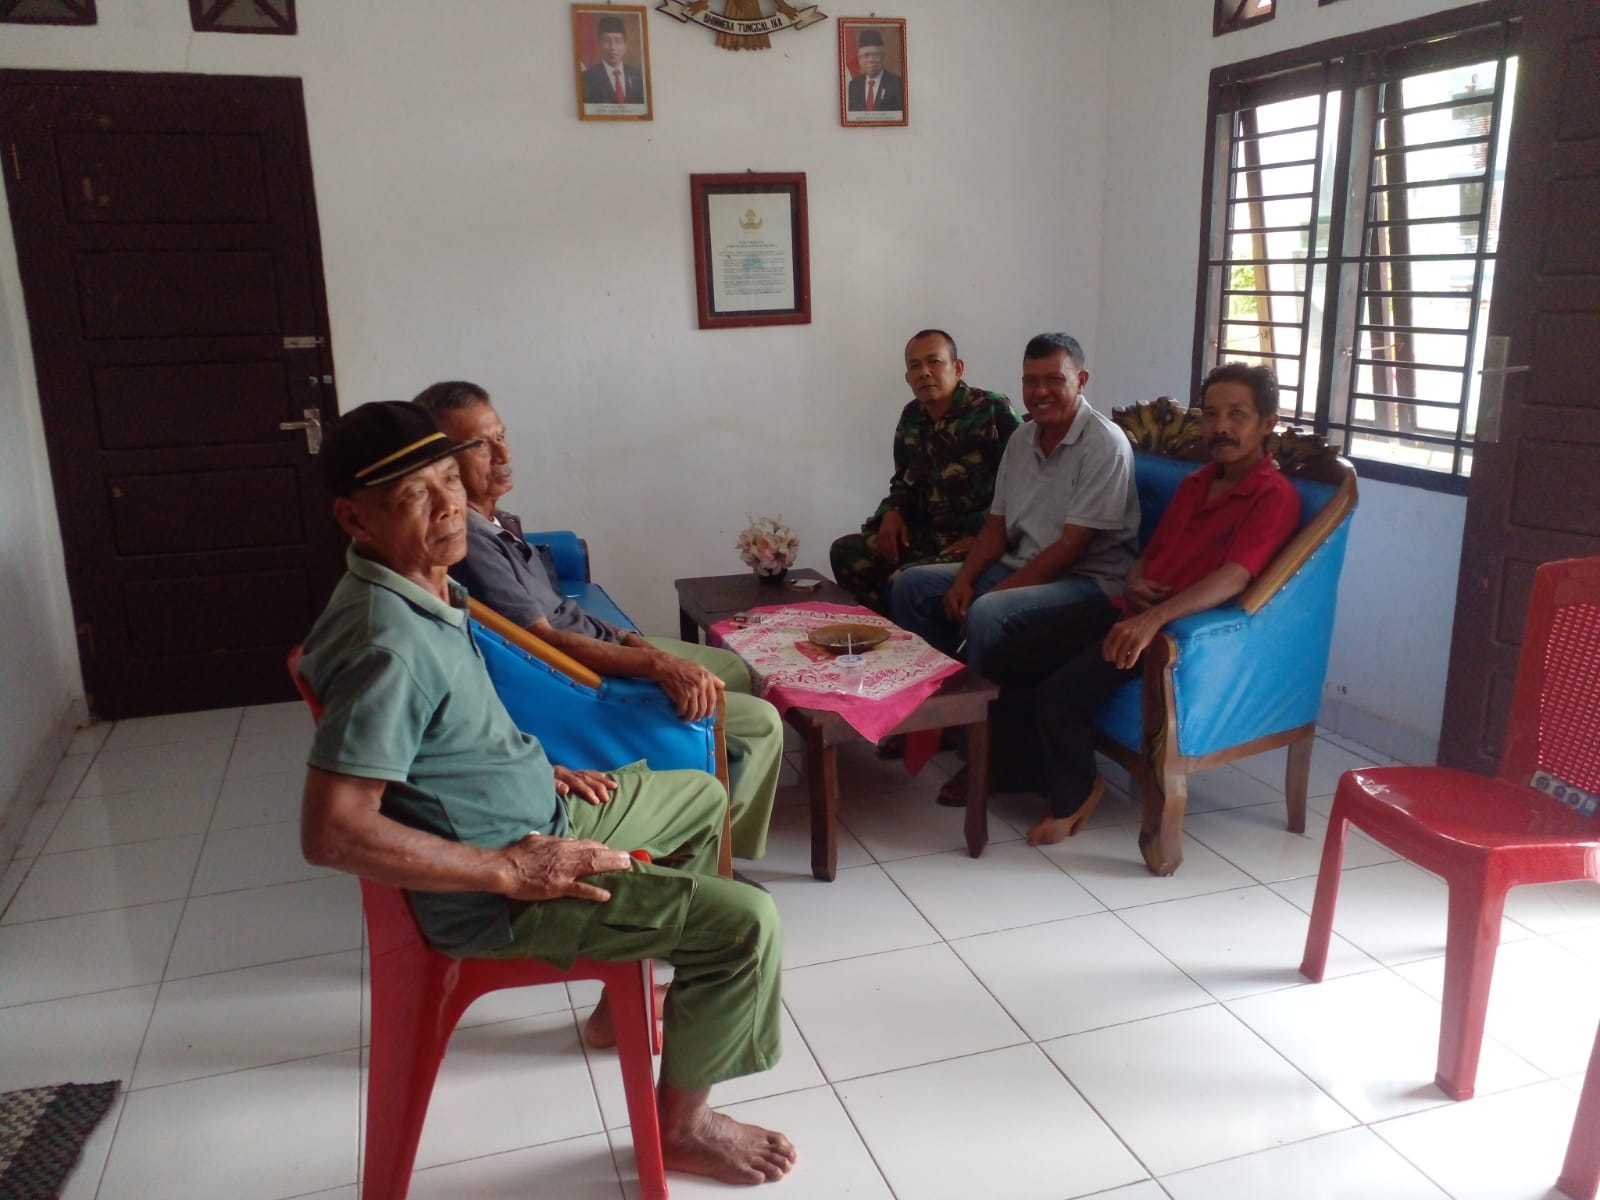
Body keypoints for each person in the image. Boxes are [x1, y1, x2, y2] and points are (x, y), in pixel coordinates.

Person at [298, 401, 796, 1187]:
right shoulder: (384, 641)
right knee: (746, 926)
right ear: (354, 518)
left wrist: (537, 768)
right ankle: (682, 1125)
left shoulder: (427, 589)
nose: (448, 505)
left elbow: (452, 731)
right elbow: (333, 831)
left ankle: (624, 1001)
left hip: (540, 812)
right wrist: (509, 871)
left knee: (702, 800)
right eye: (414, 495)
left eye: (447, 480)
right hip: (500, 890)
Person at [413, 381, 784, 863]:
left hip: (604, 645)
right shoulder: (471, 545)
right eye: (480, 445)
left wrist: (631, 638)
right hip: (587, 679)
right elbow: (545, 643)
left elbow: (560, 607)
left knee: (730, 668)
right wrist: (655, 664)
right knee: (760, 724)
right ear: (440, 464)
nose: (503, 454)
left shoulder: (496, 521)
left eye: (501, 436)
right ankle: (712, 842)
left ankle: (722, 821)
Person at [982, 362, 1301, 850]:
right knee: (1010, 653)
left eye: (1237, 414)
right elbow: (1152, 551)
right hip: (1128, 607)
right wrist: (1134, 579)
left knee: (1060, 693)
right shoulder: (1197, 482)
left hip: (1173, 631)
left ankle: (1075, 795)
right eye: (1211, 414)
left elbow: (1235, 576)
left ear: (1267, 423)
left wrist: (1153, 620)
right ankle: (1027, 775)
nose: (1221, 427)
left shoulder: (1273, 497)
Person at [889, 332, 1139, 678]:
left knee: (988, 611)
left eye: (1054, 380)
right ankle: (936, 690)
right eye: (1030, 381)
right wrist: (965, 580)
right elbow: (996, 525)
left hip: (1086, 580)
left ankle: (979, 710)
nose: (1040, 392)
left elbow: (1072, 546)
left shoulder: (1104, 444)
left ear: (1081, 381)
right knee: (911, 586)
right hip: (1019, 563)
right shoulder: (1022, 438)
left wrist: (992, 594)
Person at [828, 329, 1019, 613]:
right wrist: (892, 512)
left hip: (978, 539)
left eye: (934, 362)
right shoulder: (911, 417)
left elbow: (1024, 487)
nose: (925, 372)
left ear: (957, 368)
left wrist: (985, 539)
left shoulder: (992, 411)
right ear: (907, 377)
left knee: (905, 577)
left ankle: (910, 632)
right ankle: (887, 629)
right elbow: (902, 482)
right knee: (846, 551)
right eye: (915, 366)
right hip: (928, 536)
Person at [582, 15, 645, 105]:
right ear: (598, 45)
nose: (612, 47)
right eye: (606, 40)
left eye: (617, 40)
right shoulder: (586, 78)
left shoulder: (638, 76)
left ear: (625, 46)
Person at [846, 28, 903, 112]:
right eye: (866, 55)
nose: (871, 60)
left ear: (883, 57)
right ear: (859, 59)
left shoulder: (896, 83)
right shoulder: (853, 85)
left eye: (876, 55)